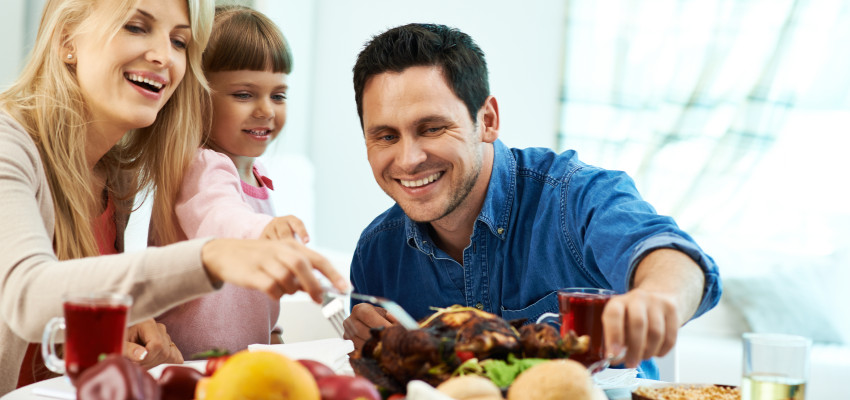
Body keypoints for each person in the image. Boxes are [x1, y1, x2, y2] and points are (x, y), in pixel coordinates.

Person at [0, 0, 347, 394]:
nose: (163, 56)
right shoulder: (7, 145)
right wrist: (211, 256)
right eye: (135, 26)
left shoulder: (116, 176)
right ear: (67, 39)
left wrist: (128, 326)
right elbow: (27, 296)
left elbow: (66, 331)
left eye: (179, 42)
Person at [342, 23, 721, 379]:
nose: (409, 160)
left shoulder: (574, 197)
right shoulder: (377, 253)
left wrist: (656, 298)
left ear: (487, 120)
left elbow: (679, 261)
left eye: (433, 128)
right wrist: (367, 353)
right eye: (386, 136)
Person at [155, 5, 310, 357]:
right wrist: (264, 232)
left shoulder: (257, 177)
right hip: (193, 363)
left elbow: (252, 295)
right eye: (244, 94)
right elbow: (221, 219)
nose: (266, 110)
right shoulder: (202, 166)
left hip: (240, 362)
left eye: (278, 95)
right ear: (198, 97)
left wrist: (273, 331)